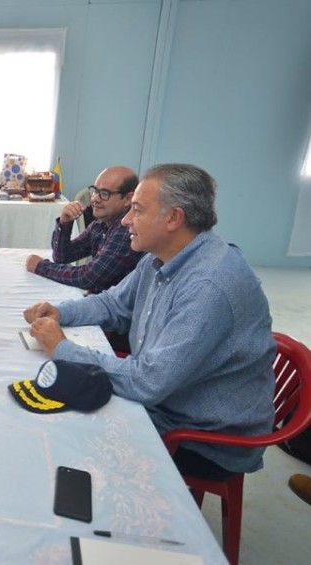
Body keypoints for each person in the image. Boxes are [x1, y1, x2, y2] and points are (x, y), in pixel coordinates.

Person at [23, 163, 275, 480]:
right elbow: (114, 302)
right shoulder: (163, 255)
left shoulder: (207, 287)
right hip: (171, 401)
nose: (126, 219)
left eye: (137, 210)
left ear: (173, 218)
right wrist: (61, 312)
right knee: (55, 412)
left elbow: (146, 383)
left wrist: (63, 348)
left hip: (204, 436)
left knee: (64, 436)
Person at [25, 166, 143, 294]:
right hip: (98, 301)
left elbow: (88, 277)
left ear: (127, 199)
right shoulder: (101, 223)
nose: (95, 198)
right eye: (95, 191)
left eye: (104, 194)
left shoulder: (127, 229)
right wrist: (65, 223)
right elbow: (63, 257)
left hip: (112, 310)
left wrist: (40, 267)